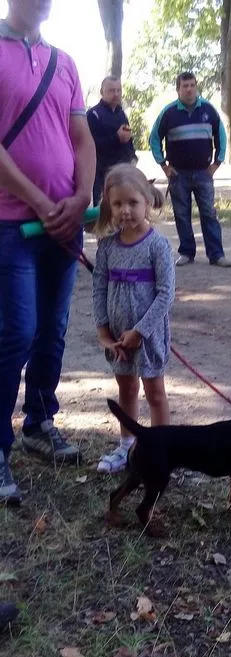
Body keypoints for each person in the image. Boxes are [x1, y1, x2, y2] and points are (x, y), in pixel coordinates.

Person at [0, 0, 96, 505]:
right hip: (10, 224)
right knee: (15, 330)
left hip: (64, 222)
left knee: (52, 329)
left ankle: (39, 420)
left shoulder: (65, 62)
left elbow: (81, 138)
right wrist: (40, 201)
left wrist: (81, 198)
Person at [93, 164, 175, 473]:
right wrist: (103, 332)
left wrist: (140, 331)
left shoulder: (157, 246)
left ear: (147, 202)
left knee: (155, 393)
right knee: (126, 390)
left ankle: (162, 452)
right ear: (108, 206)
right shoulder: (107, 248)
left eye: (132, 203)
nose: (125, 211)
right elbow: (99, 289)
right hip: (117, 339)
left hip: (148, 337)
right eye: (117, 204)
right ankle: (127, 448)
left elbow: (166, 295)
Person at [149, 71, 231, 268]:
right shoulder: (168, 113)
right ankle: (187, 252)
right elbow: (154, 138)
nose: (189, 89)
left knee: (209, 213)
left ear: (196, 86)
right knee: (181, 214)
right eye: (185, 86)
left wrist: (217, 163)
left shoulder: (208, 110)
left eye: (192, 85)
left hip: (204, 173)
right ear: (178, 89)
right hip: (178, 174)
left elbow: (221, 135)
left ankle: (216, 254)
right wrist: (163, 165)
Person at [87, 76, 137, 206]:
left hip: (124, 174)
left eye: (118, 90)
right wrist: (116, 138)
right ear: (102, 92)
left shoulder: (121, 114)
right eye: (111, 90)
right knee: (106, 215)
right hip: (103, 176)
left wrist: (133, 156)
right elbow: (90, 146)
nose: (116, 94)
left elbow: (128, 139)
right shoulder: (93, 115)